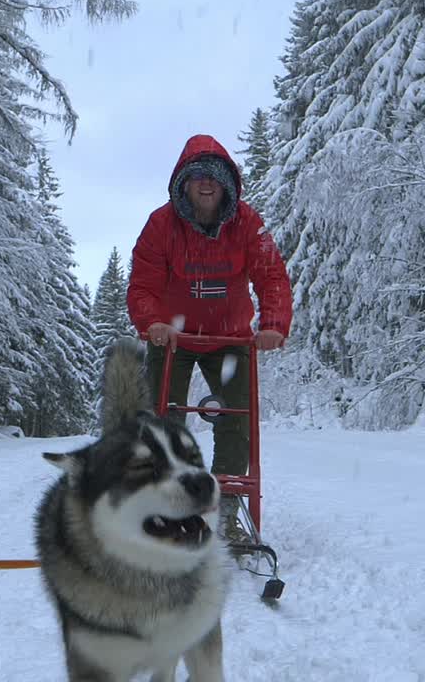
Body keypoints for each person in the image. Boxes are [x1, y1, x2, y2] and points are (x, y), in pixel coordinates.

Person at [126, 133, 293, 545]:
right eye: (197, 175)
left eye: (214, 177)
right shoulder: (161, 225)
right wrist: (152, 323)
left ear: (227, 185)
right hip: (174, 338)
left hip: (231, 337)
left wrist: (272, 324)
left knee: (236, 420)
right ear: (183, 182)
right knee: (163, 419)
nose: (206, 183)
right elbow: (143, 285)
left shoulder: (247, 223)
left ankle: (228, 512)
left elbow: (271, 275)